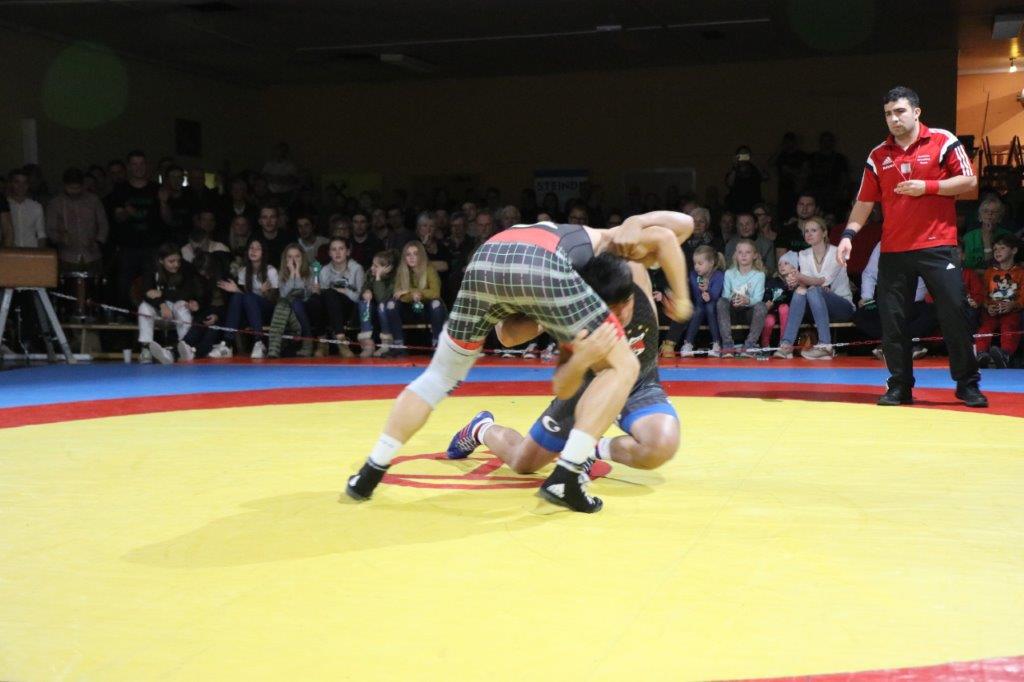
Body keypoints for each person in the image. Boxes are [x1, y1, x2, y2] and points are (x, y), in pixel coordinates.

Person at [345, 211, 694, 513]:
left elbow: (677, 228)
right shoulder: (570, 283)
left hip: (485, 260)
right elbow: (512, 339)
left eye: (621, 307)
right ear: (584, 296)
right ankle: (545, 462)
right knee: (619, 368)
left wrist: (635, 224)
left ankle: (371, 469)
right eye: (602, 312)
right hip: (555, 303)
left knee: (438, 377)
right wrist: (545, 314)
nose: (613, 318)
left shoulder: (624, 256)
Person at [447, 256, 679, 476]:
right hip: (586, 392)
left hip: (638, 384)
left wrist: (683, 297)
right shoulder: (566, 307)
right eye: (610, 309)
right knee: (522, 463)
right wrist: (503, 298)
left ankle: (589, 449)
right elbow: (507, 338)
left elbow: (661, 236)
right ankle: (481, 428)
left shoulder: (633, 271)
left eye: (626, 302)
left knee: (660, 445)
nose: (622, 314)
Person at [837, 86, 986, 407]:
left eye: (900, 111)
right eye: (888, 114)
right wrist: (848, 235)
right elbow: (864, 202)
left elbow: (969, 180)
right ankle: (900, 386)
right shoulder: (878, 154)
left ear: (917, 112)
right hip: (894, 250)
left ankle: (967, 384)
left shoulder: (943, 140)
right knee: (892, 320)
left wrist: (927, 187)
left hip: (938, 246)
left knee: (955, 314)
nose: (894, 118)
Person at [772, 217, 855, 360]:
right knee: (800, 291)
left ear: (824, 233)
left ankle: (825, 346)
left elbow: (822, 281)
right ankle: (787, 345)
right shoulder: (803, 254)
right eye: (806, 231)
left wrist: (798, 277)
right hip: (816, 306)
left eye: (813, 230)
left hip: (841, 307)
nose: (809, 234)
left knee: (813, 289)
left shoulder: (837, 252)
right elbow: (806, 284)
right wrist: (794, 281)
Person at [852, 242, 934, 361]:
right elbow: (869, 273)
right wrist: (867, 297)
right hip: (886, 303)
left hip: (916, 304)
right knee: (862, 313)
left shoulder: (924, 243)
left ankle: (892, 345)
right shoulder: (884, 243)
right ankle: (902, 345)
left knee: (937, 311)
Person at [136, 243, 202, 365]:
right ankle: (146, 349)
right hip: (160, 312)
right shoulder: (151, 269)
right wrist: (162, 304)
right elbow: (146, 293)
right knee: (143, 307)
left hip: (176, 310)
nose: (176, 264)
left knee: (182, 305)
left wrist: (161, 295)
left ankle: (185, 347)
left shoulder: (186, 268)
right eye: (171, 261)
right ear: (161, 260)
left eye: (178, 261)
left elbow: (187, 293)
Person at [215, 237, 279, 359]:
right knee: (237, 297)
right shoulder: (243, 271)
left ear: (263, 253)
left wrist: (266, 293)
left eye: (258, 248)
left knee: (246, 296)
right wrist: (236, 290)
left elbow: (276, 301)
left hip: (269, 311)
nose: (253, 251)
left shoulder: (271, 271)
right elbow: (246, 299)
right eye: (251, 248)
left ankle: (259, 342)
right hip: (251, 312)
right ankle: (227, 343)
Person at [385, 240, 447, 353]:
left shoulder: (429, 269)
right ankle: (398, 343)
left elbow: (435, 293)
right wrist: (411, 295)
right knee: (391, 304)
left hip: (426, 310)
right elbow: (397, 293)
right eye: (408, 254)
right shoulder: (401, 271)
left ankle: (437, 343)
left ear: (421, 256)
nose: (411, 257)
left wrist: (413, 292)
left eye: (415, 254)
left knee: (436, 303)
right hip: (408, 310)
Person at [46, 168, 109, 277]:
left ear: (83, 185)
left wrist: (98, 241)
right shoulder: (56, 203)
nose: (74, 191)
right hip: (67, 256)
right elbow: (50, 228)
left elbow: (103, 223)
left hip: (92, 255)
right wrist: (60, 238)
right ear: (65, 185)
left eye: (77, 188)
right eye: (71, 188)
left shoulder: (93, 200)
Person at [975, 234, 1024, 368]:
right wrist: (987, 306)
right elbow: (983, 294)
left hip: (1012, 311)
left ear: (1014, 250)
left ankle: (1005, 355)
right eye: (995, 249)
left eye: (1002, 248)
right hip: (992, 311)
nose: (997, 252)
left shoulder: (1021, 272)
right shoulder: (989, 272)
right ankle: (981, 354)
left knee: (1009, 327)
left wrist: (1014, 305)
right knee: (984, 329)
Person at [716, 239, 767, 358]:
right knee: (721, 302)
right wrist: (734, 298)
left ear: (755, 255)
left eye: (747, 252)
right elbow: (725, 295)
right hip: (733, 310)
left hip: (749, 312)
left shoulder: (759, 275)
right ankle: (728, 346)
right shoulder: (729, 273)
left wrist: (747, 300)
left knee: (761, 306)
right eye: (740, 252)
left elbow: (758, 298)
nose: (743, 255)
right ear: (736, 255)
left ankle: (749, 346)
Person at [318, 237, 365, 358]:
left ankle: (341, 341)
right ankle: (322, 343)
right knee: (316, 299)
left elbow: (360, 297)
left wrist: (344, 291)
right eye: (334, 249)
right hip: (330, 308)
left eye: (341, 249)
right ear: (329, 253)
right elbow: (323, 297)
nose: (337, 252)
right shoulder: (324, 270)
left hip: (350, 307)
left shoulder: (356, 269)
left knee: (330, 293)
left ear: (347, 252)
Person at [961, 196, 1012, 271]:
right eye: (985, 211)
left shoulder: (1007, 236)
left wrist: (987, 240)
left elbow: (1005, 264)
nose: (989, 214)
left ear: (999, 218)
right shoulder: (969, 237)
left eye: (994, 212)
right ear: (980, 217)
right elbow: (967, 265)